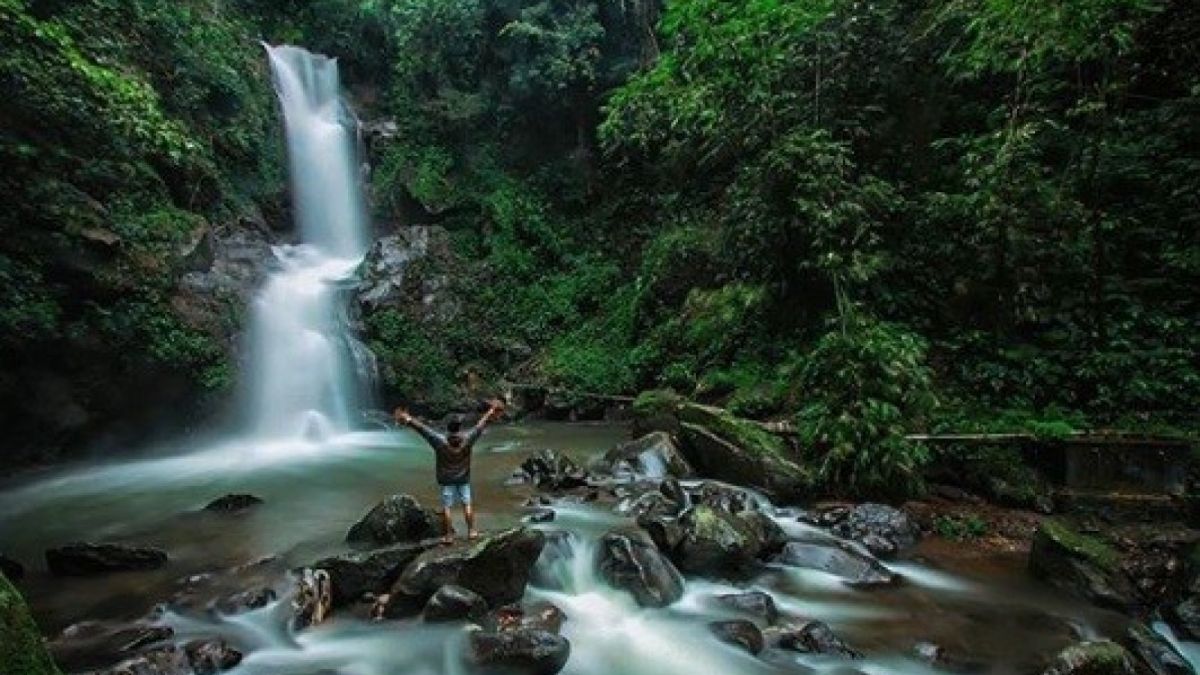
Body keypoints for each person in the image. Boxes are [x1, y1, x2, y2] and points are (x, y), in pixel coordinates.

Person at [393, 401, 504, 544]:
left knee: (447, 507)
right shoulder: (468, 439)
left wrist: (408, 420)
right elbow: (479, 426)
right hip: (463, 479)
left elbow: (423, 430)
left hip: (446, 480)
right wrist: (489, 413)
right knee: (467, 504)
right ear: (459, 428)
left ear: (448, 428)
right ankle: (471, 531)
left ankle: (449, 536)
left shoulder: (439, 441)